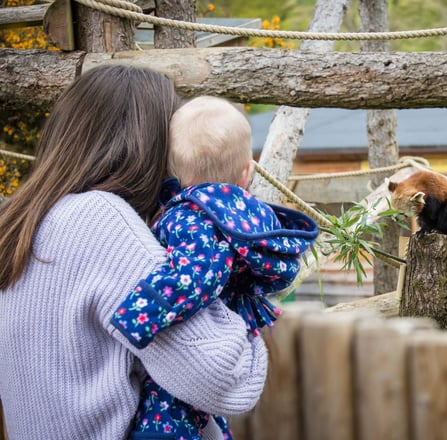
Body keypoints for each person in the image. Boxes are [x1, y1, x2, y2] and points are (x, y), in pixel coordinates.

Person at [0, 65, 269, 440]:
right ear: (148, 145)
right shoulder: (101, 221)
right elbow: (226, 377)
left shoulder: (23, 221)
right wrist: (247, 315)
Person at [109, 96, 318, 440]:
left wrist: (139, 314)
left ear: (172, 170)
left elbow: (198, 275)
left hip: (193, 329)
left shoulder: (193, 217)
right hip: (234, 324)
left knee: (168, 408)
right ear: (247, 173)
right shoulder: (247, 214)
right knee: (202, 413)